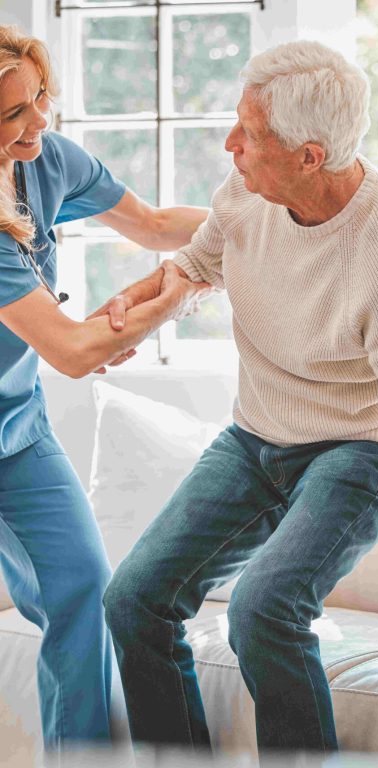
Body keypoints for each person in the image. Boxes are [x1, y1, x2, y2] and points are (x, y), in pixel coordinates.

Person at [101, 40, 378, 757]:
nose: (230, 145)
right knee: (135, 600)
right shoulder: (247, 191)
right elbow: (197, 263)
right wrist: (134, 318)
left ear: (310, 155)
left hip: (362, 450)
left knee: (265, 609)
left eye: (252, 134)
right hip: (254, 438)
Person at [0, 25, 210, 751]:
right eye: (13, 114)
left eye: (40, 99)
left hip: (16, 432)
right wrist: (168, 304)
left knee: (84, 586)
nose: (39, 122)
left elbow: (153, 227)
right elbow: (70, 351)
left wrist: (264, 224)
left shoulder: (45, 160)